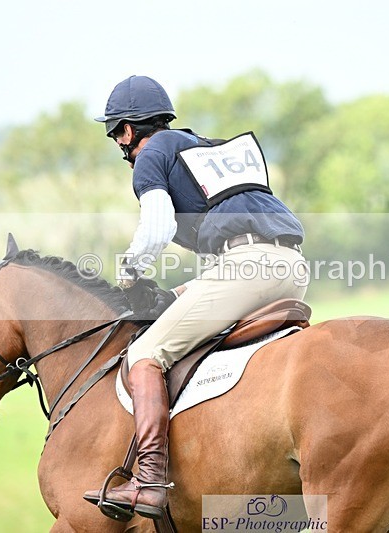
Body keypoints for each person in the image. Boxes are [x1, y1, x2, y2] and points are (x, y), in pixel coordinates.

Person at [83, 75, 308, 521]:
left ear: (128, 131)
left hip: (247, 268)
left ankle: (147, 482)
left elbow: (158, 227)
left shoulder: (153, 154)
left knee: (146, 353)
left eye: (115, 135)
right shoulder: (208, 150)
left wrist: (130, 271)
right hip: (291, 266)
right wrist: (177, 293)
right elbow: (228, 252)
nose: (119, 147)